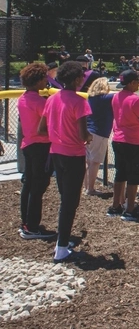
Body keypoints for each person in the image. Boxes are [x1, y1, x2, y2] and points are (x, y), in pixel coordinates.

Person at [39, 61, 92, 262]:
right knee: (70, 202)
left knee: (65, 199)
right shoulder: (79, 101)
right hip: (73, 155)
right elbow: (83, 135)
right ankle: (61, 248)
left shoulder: (52, 99)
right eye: (82, 77)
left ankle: (63, 241)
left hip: (56, 153)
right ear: (77, 79)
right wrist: (88, 137)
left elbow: (41, 129)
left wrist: (59, 133)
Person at [18, 63, 55, 239]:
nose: (46, 81)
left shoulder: (23, 98)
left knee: (29, 184)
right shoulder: (40, 102)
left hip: (28, 145)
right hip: (41, 146)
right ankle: (32, 227)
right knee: (38, 186)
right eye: (44, 78)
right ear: (38, 80)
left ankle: (26, 222)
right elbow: (49, 125)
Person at [109, 70, 139, 222]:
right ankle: (130, 209)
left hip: (118, 139)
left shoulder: (116, 97)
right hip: (133, 141)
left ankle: (115, 206)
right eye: (138, 81)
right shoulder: (135, 100)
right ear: (132, 83)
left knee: (120, 174)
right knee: (133, 176)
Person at [84, 78, 114, 196]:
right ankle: (90, 189)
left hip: (88, 131)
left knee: (88, 161)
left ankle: (86, 187)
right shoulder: (106, 98)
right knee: (95, 162)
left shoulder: (90, 98)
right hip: (99, 133)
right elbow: (120, 95)